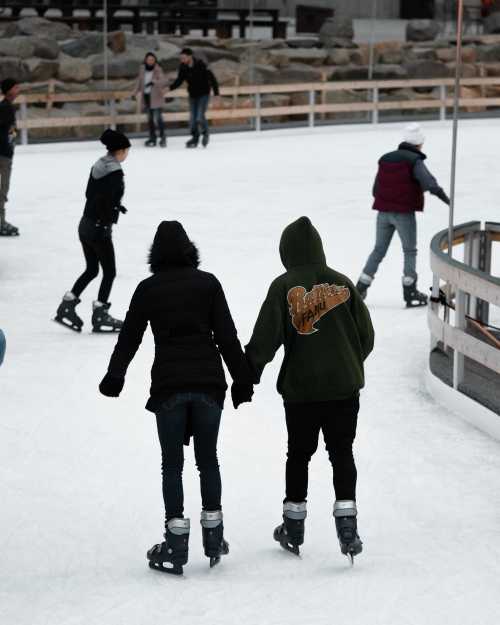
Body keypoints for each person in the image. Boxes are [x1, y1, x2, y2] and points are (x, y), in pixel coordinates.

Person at [98, 221, 253, 575]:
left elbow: (130, 339)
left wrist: (115, 375)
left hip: (169, 385)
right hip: (208, 384)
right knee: (208, 460)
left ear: (156, 253)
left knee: (173, 464)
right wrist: (242, 380)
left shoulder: (148, 289)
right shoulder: (208, 283)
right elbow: (228, 337)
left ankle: (175, 541)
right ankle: (214, 536)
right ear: (189, 249)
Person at [245, 216, 374, 563]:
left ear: (286, 252)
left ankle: (294, 525)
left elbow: (264, 339)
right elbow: (367, 336)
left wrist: (248, 376)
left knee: (299, 454)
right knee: (341, 453)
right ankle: (348, 525)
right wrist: (347, 362)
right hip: (344, 389)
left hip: (301, 391)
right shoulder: (344, 284)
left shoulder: (283, 286)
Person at [356, 123, 450, 308]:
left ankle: (360, 287)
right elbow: (429, 183)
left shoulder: (386, 159)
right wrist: (446, 199)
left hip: (383, 213)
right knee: (409, 250)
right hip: (403, 215)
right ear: (419, 144)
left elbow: (376, 189)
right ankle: (410, 290)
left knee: (378, 250)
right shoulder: (414, 160)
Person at [54, 129, 130, 333]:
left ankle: (67, 306)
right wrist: (111, 212)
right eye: (126, 151)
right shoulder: (115, 172)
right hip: (99, 228)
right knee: (110, 272)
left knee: (92, 269)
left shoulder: (99, 165)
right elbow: (107, 199)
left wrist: (115, 206)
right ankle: (100, 314)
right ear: (120, 151)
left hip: (85, 224)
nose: (127, 155)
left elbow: (91, 193)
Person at [167, 48, 219, 149]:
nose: (182, 59)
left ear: (190, 56)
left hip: (204, 94)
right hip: (192, 95)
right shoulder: (183, 67)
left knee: (199, 116)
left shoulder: (201, 64)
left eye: (183, 58)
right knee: (193, 118)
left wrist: (216, 94)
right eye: (181, 58)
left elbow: (212, 78)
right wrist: (169, 88)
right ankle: (195, 137)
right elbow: (179, 80)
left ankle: (205, 133)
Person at [0, 78, 20, 237]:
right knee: (2, 189)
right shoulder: (5, 108)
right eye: (15, 87)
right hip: (3, 155)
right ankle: (0, 222)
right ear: (8, 90)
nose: (18, 90)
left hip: (6, 153)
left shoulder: (6, 107)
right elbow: (8, 132)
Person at [134, 52, 167, 148]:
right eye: (148, 59)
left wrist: (154, 82)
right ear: (145, 60)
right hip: (147, 97)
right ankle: (152, 138)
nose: (150, 61)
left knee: (158, 118)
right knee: (150, 119)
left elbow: (163, 81)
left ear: (155, 60)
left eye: (152, 60)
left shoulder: (158, 69)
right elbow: (139, 82)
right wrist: (134, 92)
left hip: (156, 97)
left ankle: (163, 137)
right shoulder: (142, 69)